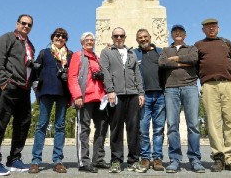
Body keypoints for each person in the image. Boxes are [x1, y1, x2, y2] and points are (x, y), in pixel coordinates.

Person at [0, 14, 35, 176]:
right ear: (17, 23)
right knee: (1, 122)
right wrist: (4, 83)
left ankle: (14, 159)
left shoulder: (30, 45)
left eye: (29, 25)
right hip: (10, 87)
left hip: (24, 89)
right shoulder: (5, 38)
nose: (26, 26)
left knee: (23, 123)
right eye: (23, 23)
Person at [195, 18, 231, 172]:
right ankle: (219, 157)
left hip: (229, 84)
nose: (211, 29)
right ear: (203, 30)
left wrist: (227, 74)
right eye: (208, 27)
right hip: (209, 86)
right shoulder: (199, 45)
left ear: (218, 28)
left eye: (214, 27)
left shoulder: (226, 43)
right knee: (213, 123)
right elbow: (195, 65)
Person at [158, 24, 205, 173]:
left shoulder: (191, 48)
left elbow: (193, 59)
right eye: (175, 32)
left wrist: (177, 60)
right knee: (172, 125)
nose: (178, 34)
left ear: (185, 35)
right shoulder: (165, 50)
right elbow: (162, 62)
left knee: (193, 125)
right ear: (171, 35)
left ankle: (195, 159)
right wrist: (183, 63)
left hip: (190, 87)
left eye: (180, 32)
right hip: (171, 89)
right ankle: (174, 159)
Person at [100, 27, 145, 173]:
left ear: (125, 37)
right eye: (116, 36)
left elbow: (137, 74)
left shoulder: (131, 53)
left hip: (133, 94)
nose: (118, 38)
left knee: (134, 129)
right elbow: (105, 72)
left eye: (121, 36)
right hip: (116, 95)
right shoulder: (106, 52)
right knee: (116, 129)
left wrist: (141, 93)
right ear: (112, 37)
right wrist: (110, 90)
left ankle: (133, 161)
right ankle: (116, 161)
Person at [28, 28, 73, 174]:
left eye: (63, 36)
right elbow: (34, 73)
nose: (60, 38)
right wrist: (36, 92)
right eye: (57, 36)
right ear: (52, 37)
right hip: (46, 91)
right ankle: (35, 161)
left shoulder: (70, 55)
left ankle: (58, 160)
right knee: (41, 125)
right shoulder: (44, 52)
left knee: (60, 126)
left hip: (63, 93)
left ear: (66, 39)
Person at [68, 32, 109, 173]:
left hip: (100, 98)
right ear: (82, 42)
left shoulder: (97, 58)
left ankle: (98, 159)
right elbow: (72, 77)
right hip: (85, 97)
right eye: (87, 40)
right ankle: (84, 162)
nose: (90, 42)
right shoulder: (77, 56)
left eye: (92, 40)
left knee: (102, 128)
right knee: (84, 129)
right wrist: (77, 96)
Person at [133, 29, 165, 173]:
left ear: (150, 37)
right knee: (143, 129)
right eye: (140, 37)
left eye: (145, 37)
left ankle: (157, 158)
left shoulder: (161, 52)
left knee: (159, 129)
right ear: (137, 39)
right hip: (143, 96)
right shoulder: (134, 53)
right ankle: (145, 158)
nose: (143, 39)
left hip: (160, 95)